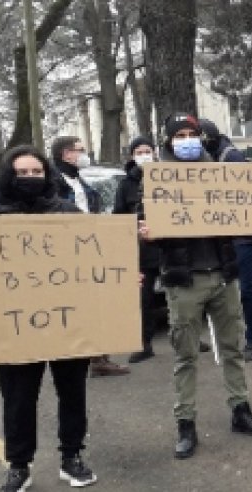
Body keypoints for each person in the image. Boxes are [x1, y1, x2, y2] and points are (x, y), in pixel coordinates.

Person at [141, 112, 252, 459]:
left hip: (222, 274)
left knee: (232, 347)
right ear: (169, 141)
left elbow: (243, 215)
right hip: (185, 280)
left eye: (192, 134)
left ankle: (240, 410)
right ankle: (186, 424)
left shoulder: (219, 174)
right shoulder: (155, 180)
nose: (187, 140)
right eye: (179, 134)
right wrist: (148, 236)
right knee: (185, 355)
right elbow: (144, 229)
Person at [0, 145, 98, 492]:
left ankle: (72, 457)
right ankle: (18, 466)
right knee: (18, 399)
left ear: (47, 175)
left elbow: (97, 260)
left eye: (37, 172)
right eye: (22, 173)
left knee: (72, 393)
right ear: (8, 177)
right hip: (14, 328)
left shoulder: (68, 214)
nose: (30, 179)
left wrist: (120, 285)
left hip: (66, 323)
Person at [50, 135, 131, 377]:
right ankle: (78, 356)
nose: (84, 154)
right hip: (67, 254)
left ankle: (98, 357)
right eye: (80, 150)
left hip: (88, 249)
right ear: (66, 154)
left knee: (96, 305)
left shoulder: (78, 181)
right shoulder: (54, 183)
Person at [199, 118, 252, 362]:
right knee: (222, 289)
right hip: (220, 234)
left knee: (246, 288)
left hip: (242, 235)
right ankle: (230, 338)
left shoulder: (231, 158)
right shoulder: (202, 160)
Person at [113, 136, 161, 363]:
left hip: (168, 247)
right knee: (144, 299)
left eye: (148, 150)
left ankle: (184, 337)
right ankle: (145, 343)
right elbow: (119, 217)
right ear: (132, 156)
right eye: (139, 152)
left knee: (177, 294)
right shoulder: (126, 185)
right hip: (142, 250)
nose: (144, 155)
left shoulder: (165, 176)